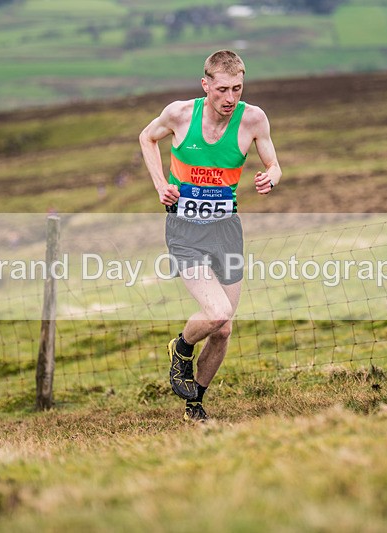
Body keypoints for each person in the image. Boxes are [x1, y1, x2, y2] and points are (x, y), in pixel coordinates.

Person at [139, 50, 282, 422]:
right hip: (184, 230)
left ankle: (194, 404)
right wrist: (161, 186)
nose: (230, 98)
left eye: (237, 88)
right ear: (206, 86)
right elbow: (146, 137)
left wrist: (272, 176)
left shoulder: (253, 119)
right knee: (216, 313)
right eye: (222, 89)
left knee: (224, 328)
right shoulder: (179, 114)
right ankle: (182, 347)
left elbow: (273, 161)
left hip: (226, 230)